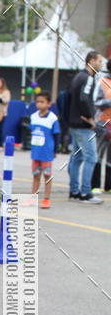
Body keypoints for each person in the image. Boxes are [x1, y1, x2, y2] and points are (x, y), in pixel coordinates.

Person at [67, 50, 104, 204]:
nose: (101, 64)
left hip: (74, 123)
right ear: (92, 61)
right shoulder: (88, 78)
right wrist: (90, 118)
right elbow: (84, 99)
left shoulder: (78, 77)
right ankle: (85, 193)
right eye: (99, 61)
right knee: (91, 157)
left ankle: (74, 191)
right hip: (83, 124)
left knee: (76, 157)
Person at [30, 92, 60, 209]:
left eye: (42, 102)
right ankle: (33, 198)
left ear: (49, 104)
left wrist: (55, 150)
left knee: (47, 176)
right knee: (35, 175)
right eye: (37, 102)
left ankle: (46, 199)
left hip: (46, 153)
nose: (39, 104)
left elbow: (56, 135)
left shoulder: (52, 118)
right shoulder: (33, 117)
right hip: (35, 152)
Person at [94, 57, 111, 187]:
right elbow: (96, 102)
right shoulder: (102, 82)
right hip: (103, 124)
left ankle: (108, 186)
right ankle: (95, 186)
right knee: (98, 155)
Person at [0, 77, 11, 149]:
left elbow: (6, 100)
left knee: (0, 129)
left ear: (2, 84)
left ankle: (1, 144)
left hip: (1, 113)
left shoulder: (6, 92)